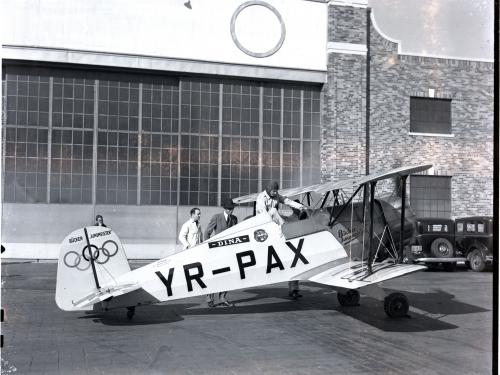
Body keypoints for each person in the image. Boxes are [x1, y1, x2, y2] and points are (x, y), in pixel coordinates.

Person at [256, 181, 306, 299]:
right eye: (273, 191)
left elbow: (287, 201)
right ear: (268, 190)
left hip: (274, 226)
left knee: (295, 261)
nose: (275, 193)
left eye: (276, 191)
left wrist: (301, 207)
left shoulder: (276, 196)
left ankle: (294, 289)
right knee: (273, 211)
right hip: (263, 226)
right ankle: (285, 230)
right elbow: (264, 215)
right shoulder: (261, 198)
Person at [204, 197, 238, 307]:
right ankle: (210, 299)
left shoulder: (234, 219)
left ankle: (223, 297)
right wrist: (208, 247)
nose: (231, 210)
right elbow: (207, 233)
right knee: (214, 275)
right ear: (225, 209)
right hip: (216, 252)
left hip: (229, 253)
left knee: (228, 275)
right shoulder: (217, 217)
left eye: (232, 208)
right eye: (229, 208)